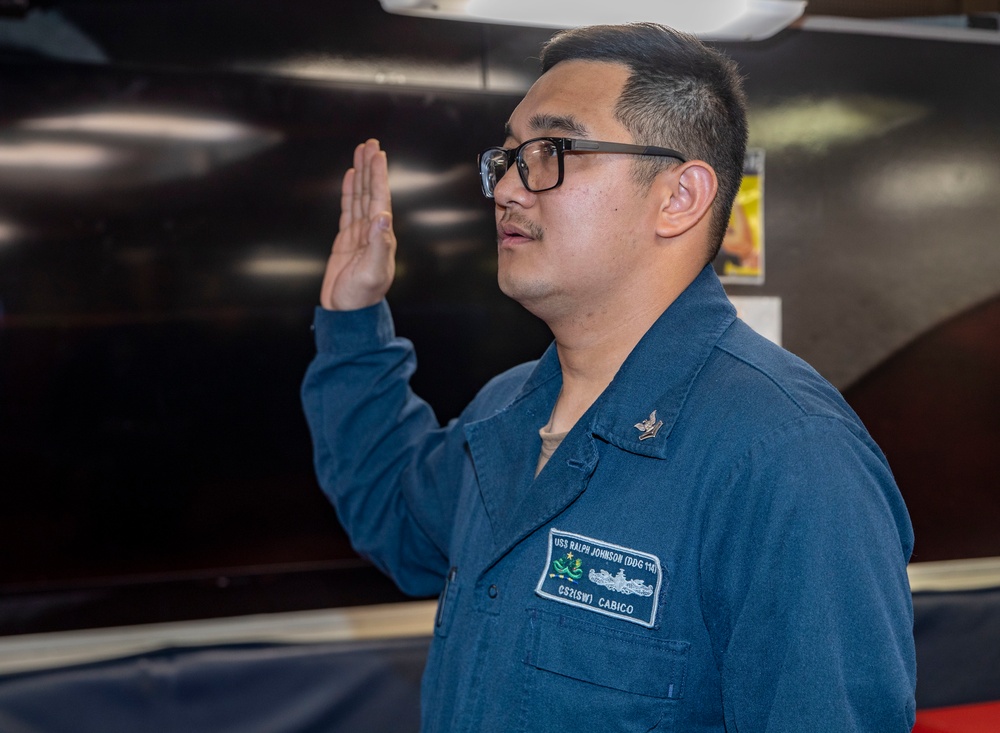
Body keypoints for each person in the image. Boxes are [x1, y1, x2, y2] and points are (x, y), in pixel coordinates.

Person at [302, 22, 916, 732]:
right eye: (506, 157)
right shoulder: (509, 410)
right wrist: (352, 320)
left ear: (679, 197)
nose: (507, 186)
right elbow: (395, 512)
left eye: (551, 151)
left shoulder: (789, 457)